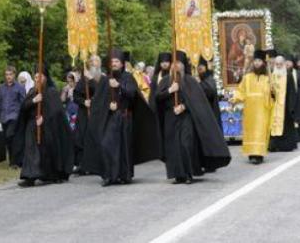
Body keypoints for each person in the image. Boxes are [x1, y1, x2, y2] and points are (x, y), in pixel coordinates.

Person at [156, 51, 231, 183]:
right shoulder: (164, 81)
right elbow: (157, 98)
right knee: (173, 146)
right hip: (170, 117)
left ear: (183, 65)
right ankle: (178, 175)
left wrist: (184, 106)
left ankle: (188, 173)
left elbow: (196, 100)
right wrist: (169, 91)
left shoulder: (190, 81)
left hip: (186, 117)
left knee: (186, 144)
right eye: (174, 63)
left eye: (178, 63)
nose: (176, 66)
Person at [97, 49, 160, 186]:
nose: (113, 64)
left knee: (123, 147)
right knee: (106, 144)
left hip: (124, 117)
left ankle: (123, 175)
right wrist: (108, 105)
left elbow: (132, 94)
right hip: (109, 118)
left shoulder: (128, 77)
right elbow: (100, 100)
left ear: (122, 64)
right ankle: (109, 175)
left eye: (116, 62)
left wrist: (118, 86)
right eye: (112, 62)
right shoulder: (105, 79)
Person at [12, 64, 74, 187]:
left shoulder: (51, 91)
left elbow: (56, 111)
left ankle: (48, 174)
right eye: (35, 77)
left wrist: (44, 119)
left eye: (40, 77)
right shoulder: (32, 91)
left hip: (48, 128)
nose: (37, 80)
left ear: (45, 78)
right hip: (32, 126)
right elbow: (24, 107)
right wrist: (34, 100)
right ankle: (30, 176)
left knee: (47, 151)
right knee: (31, 151)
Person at [232, 50, 273, 164]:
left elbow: (274, 93)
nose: (257, 63)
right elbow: (241, 90)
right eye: (255, 61)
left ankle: (259, 154)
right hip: (250, 110)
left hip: (262, 109)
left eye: (259, 61)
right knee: (250, 131)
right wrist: (235, 99)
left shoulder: (268, 78)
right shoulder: (247, 77)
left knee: (260, 131)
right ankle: (251, 153)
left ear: (263, 63)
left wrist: (273, 92)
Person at [0, 66, 26, 166]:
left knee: (10, 135)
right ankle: (13, 161)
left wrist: (22, 117)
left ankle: (15, 161)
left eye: (10, 74)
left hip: (14, 117)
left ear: (14, 75)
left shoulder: (19, 87)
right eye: (7, 74)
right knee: (8, 140)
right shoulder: (2, 87)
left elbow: (23, 103)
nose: (8, 76)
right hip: (4, 117)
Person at [269, 56, 299, 152]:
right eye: (276, 64)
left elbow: (292, 92)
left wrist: (291, 106)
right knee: (273, 125)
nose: (278, 66)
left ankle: (285, 145)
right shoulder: (271, 76)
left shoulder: (288, 75)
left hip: (285, 106)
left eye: (280, 64)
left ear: (284, 64)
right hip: (274, 105)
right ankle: (274, 145)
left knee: (286, 126)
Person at [196, 56, 223, 131]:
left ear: (206, 67)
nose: (199, 69)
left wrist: (199, 84)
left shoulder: (209, 79)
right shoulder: (202, 79)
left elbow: (210, 92)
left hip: (210, 111)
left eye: (201, 67)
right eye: (198, 68)